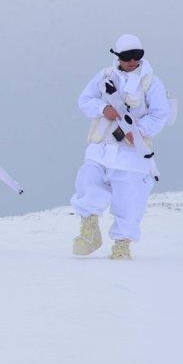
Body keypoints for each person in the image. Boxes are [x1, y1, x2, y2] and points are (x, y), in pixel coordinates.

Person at [70, 34, 171, 259]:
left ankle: (122, 246)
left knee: (129, 198)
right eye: (127, 56)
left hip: (131, 152)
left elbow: (160, 114)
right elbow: (85, 100)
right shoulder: (105, 76)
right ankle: (89, 231)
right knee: (88, 182)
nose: (132, 61)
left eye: (137, 56)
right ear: (117, 56)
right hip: (101, 145)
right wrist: (103, 109)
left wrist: (137, 130)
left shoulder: (151, 82)